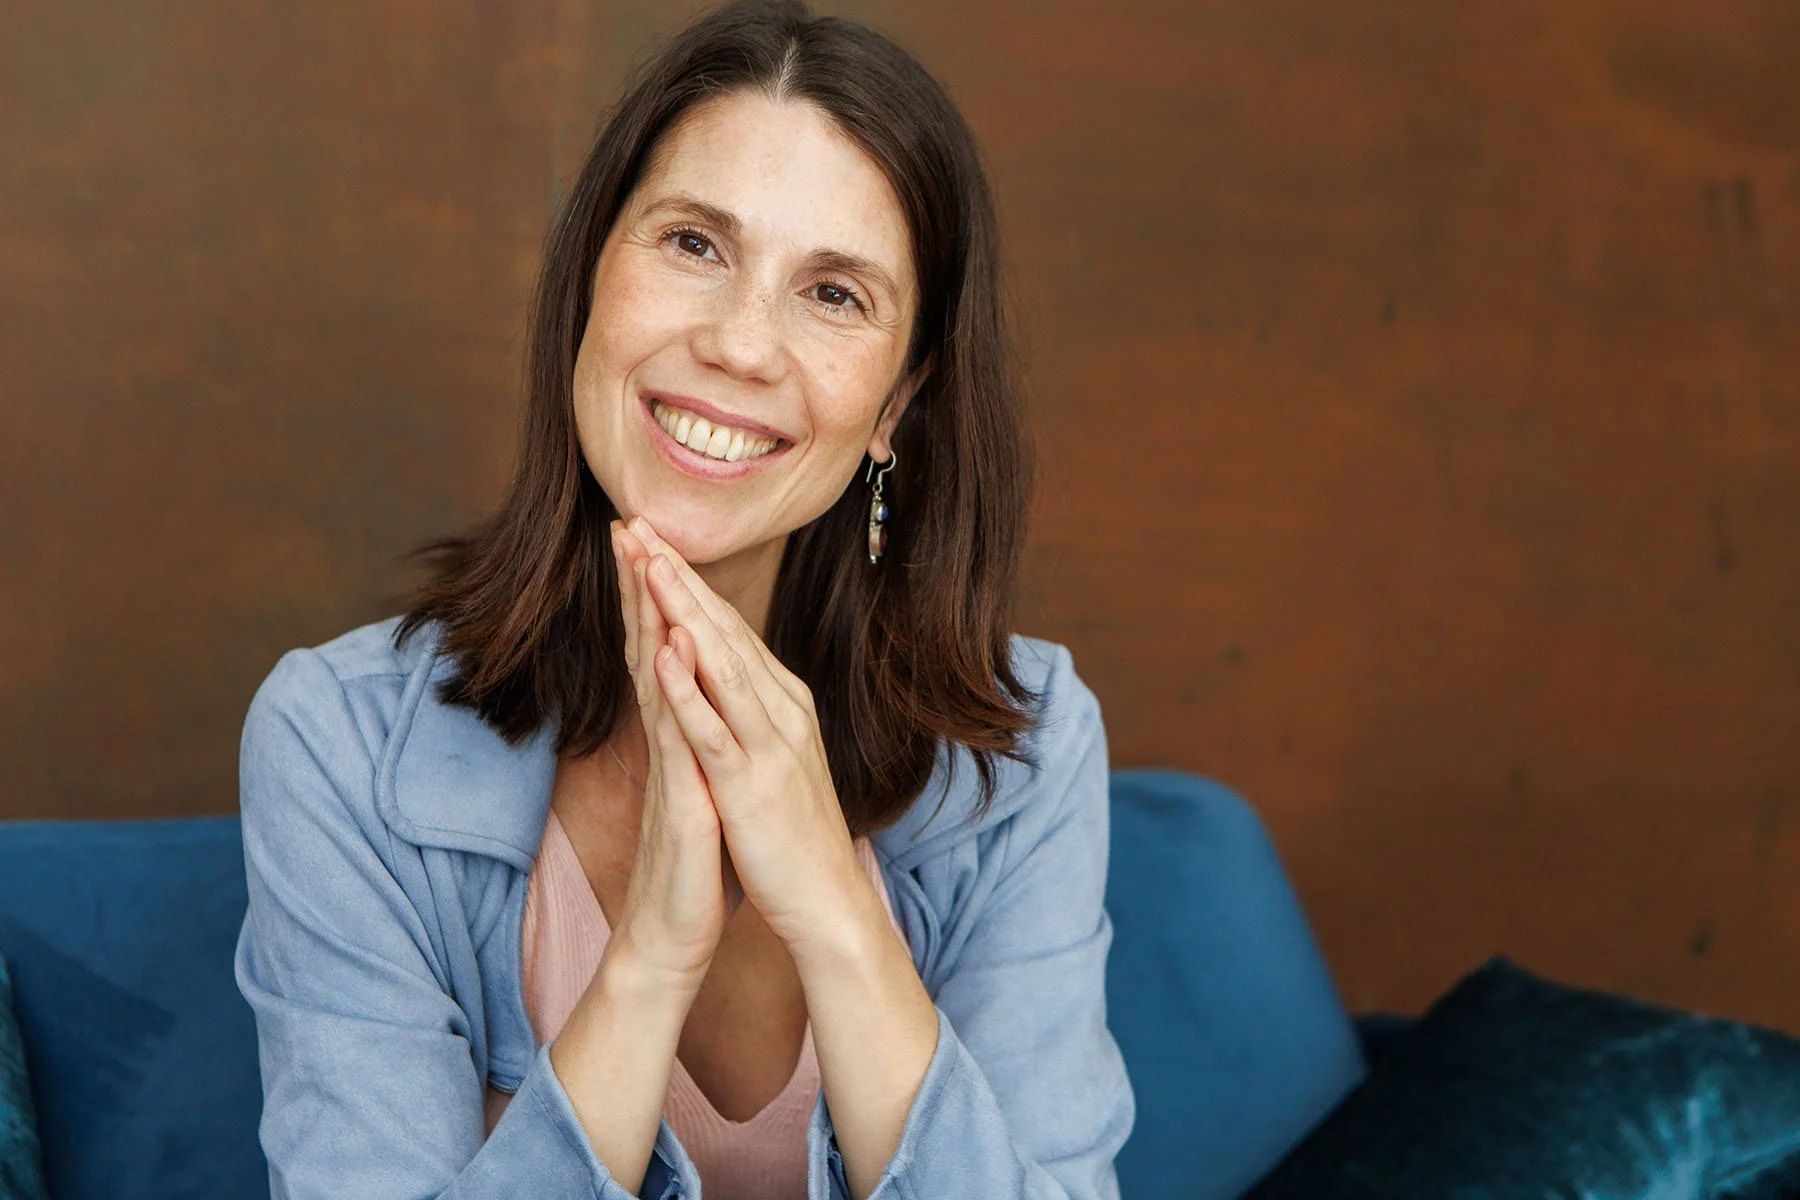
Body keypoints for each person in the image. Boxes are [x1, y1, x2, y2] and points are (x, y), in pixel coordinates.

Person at [233, 2, 1134, 1197]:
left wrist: (832, 912)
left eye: (835, 294)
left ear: (895, 407)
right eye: (694, 245)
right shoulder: (336, 745)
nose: (742, 346)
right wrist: (650, 957)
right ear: (591, 281)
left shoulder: (1026, 757)